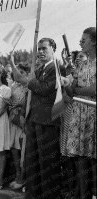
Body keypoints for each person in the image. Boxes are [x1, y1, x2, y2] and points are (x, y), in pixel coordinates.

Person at [10, 38, 65, 199]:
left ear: (53, 49)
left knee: (47, 163)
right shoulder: (40, 69)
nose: (40, 52)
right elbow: (23, 81)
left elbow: (45, 89)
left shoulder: (57, 68)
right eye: (38, 49)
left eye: (44, 49)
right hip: (34, 120)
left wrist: (29, 81)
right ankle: (34, 194)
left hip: (48, 122)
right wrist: (13, 65)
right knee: (32, 161)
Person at [61, 27, 96, 199]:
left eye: (84, 39)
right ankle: (82, 195)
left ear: (94, 41)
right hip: (78, 114)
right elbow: (70, 91)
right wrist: (67, 79)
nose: (80, 42)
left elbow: (94, 90)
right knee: (80, 158)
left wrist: (76, 89)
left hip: (93, 114)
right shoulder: (81, 64)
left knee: (92, 159)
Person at [8, 63, 29, 190]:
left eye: (22, 72)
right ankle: (17, 174)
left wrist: (19, 107)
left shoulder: (28, 86)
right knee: (14, 149)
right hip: (13, 119)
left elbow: (28, 103)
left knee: (24, 149)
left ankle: (24, 177)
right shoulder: (13, 86)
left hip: (24, 119)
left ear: (26, 74)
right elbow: (11, 101)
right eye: (17, 72)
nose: (19, 74)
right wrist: (10, 104)